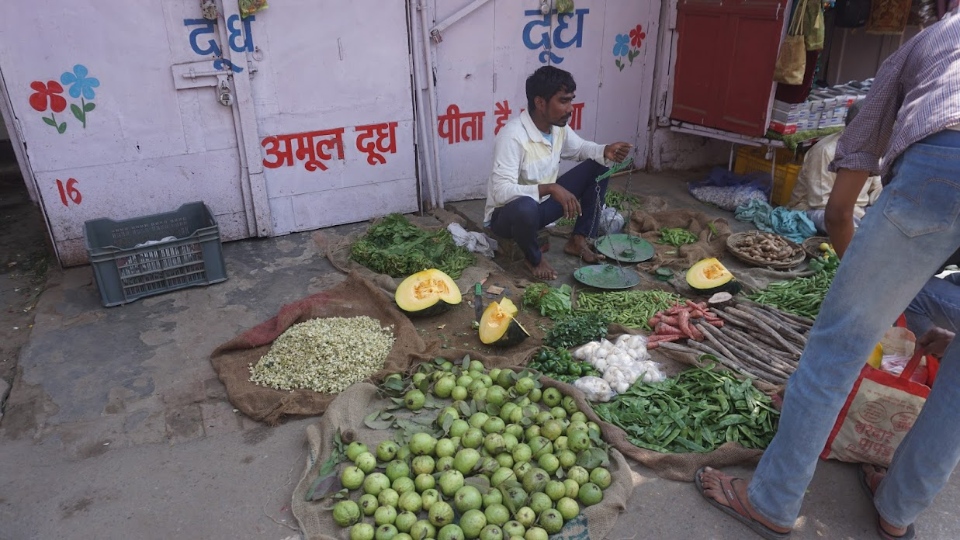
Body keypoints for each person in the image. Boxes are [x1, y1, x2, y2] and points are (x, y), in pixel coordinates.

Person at [696, 11, 960, 540]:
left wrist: (868, 304)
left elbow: (839, 213)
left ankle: (771, 501)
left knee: (836, 350)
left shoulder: (938, 37)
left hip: (947, 163)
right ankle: (897, 511)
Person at [484, 66, 632, 280]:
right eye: (563, 101)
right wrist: (550, 188)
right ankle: (533, 258)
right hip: (508, 218)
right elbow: (500, 192)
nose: (570, 108)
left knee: (600, 164)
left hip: (542, 210)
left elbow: (581, 149)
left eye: (571, 100)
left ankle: (579, 239)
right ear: (540, 102)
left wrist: (605, 149)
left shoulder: (558, 128)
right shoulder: (513, 136)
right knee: (526, 206)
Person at [788, 100, 884, 233]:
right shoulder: (826, 151)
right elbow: (821, 202)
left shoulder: (872, 150)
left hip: (855, 212)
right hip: (816, 210)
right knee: (836, 221)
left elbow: (876, 188)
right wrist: (861, 219)